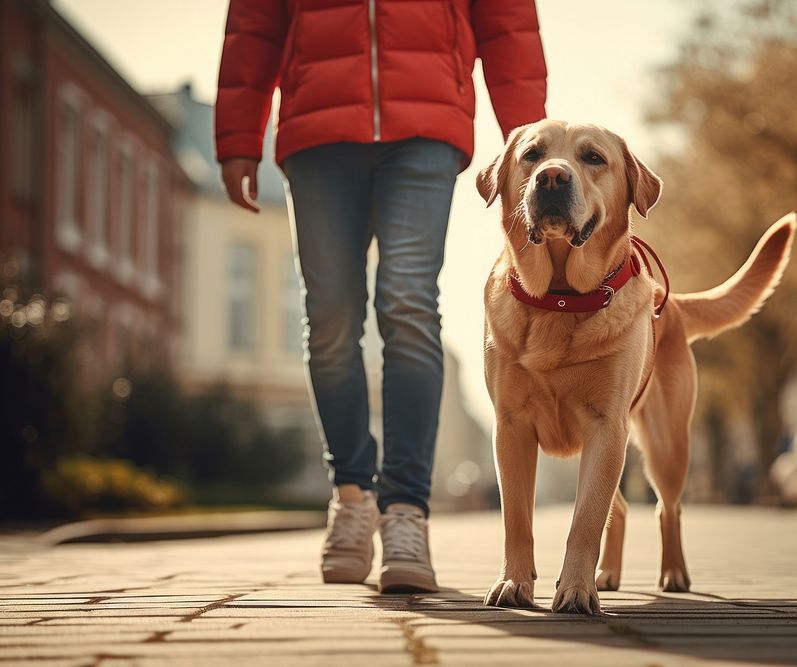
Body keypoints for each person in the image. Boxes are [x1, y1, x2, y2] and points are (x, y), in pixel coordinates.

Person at [214, 0, 547, 592]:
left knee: (409, 304)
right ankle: (350, 497)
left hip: (426, 125)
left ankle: (405, 513)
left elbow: (507, 20)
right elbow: (255, 22)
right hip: (317, 125)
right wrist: (240, 132)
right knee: (332, 318)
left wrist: (531, 143)